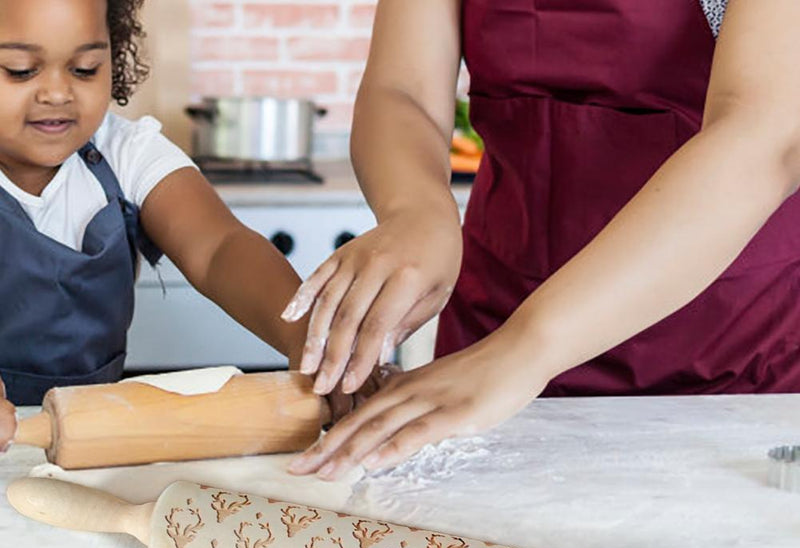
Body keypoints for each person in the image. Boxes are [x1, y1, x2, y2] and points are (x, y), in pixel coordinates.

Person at [285, 0, 800, 480]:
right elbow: (404, 90)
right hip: (492, 331)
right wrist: (413, 210)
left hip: (731, 358)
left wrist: (524, 350)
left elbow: (763, 136)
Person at [0, 0, 308, 446]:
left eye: (85, 68)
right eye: (20, 70)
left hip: (90, 442)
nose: (58, 92)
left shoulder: (126, 152)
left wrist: (306, 336)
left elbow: (218, 246)